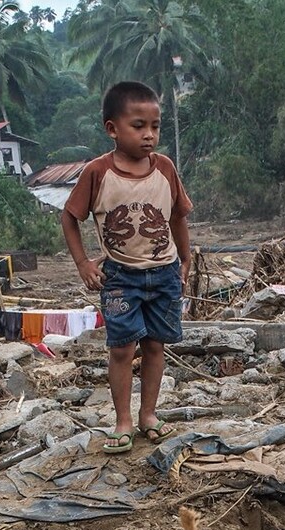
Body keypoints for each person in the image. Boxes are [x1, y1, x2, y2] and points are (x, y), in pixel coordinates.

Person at [61, 81, 195, 455]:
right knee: (122, 348)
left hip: (164, 272)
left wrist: (185, 259)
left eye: (155, 126)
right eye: (138, 126)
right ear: (112, 128)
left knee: (155, 345)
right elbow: (70, 218)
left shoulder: (164, 169)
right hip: (121, 277)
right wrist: (83, 263)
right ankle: (123, 421)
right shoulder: (97, 172)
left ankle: (148, 415)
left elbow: (178, 218)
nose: (149, 135)